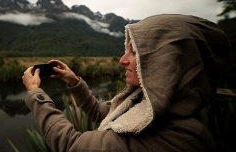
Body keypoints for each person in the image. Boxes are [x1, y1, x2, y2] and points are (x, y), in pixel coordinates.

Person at [22, 14, 230, 152]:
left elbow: (70, 144)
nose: (122, 60)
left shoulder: (169, 138)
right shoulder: (148, 105)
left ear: (168, 63)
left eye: (135, 52)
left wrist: (35, 93)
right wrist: (74, 81)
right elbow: (102, 113)